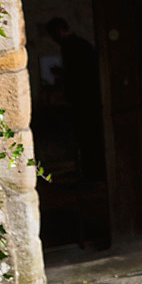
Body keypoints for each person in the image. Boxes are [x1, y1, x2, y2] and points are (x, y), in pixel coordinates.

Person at [46, 17, 105, 180]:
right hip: (88, 98)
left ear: (59, 31)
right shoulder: (79, 44)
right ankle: (93, 172)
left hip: (85, 99)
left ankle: (92, 173)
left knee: (88, 137)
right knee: (89, 137)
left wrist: (63, 76)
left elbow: (79, 74)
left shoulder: (72, 47)